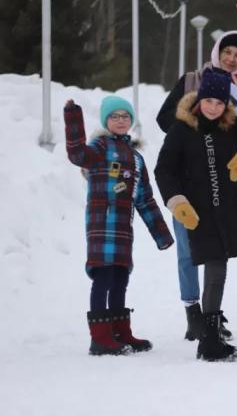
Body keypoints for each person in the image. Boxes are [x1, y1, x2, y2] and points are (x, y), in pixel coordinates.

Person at [155, 0, 237, 341]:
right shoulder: (192, 80)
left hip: (220, 182)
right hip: (187, 179)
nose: (232, 58)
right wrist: (192, 120)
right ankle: (194, 314)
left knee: (218, 248)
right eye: (228, 52)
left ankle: (211, 314)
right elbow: (164, 121)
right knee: (189, 249)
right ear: (217, 51)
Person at [64, 95, 174, 356]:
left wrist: (162, 234)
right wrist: (73, 117)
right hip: (102, 225)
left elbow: (145, 199)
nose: (121, 121)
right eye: (115, 116)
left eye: (125, 116)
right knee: (103, 277)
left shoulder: (136, 158)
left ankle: (119, 332)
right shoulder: (99, 147)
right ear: (106, 121)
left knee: (120, 278)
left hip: (124, 229)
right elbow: (78, 154)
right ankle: (100, 338)